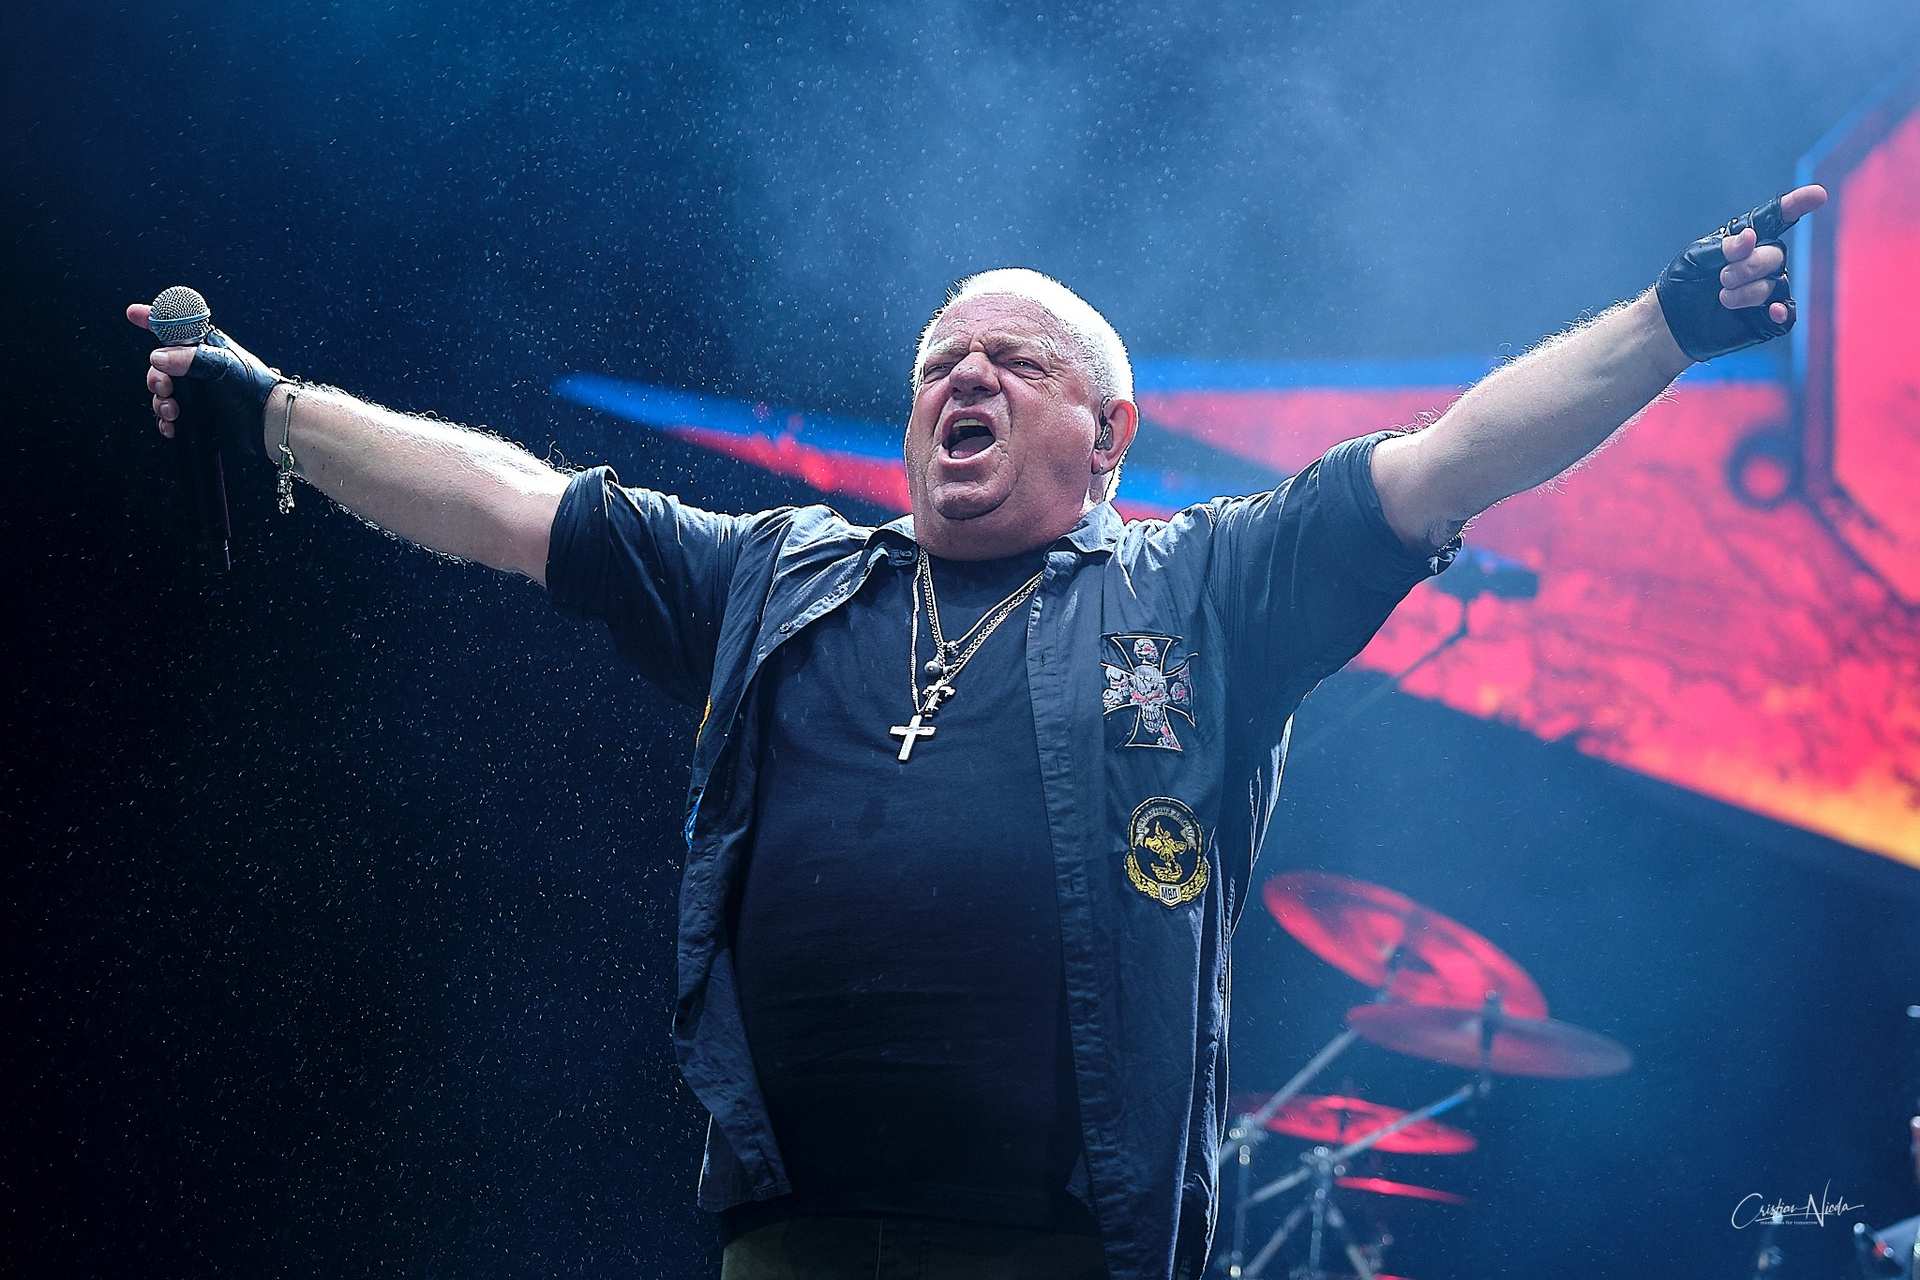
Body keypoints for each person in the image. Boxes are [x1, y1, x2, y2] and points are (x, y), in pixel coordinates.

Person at [129, 184, 1825, 1280]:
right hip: (797, 1232)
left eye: (1015, 361)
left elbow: (1450, 460)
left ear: (1110, 432)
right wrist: (274, 410)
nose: (965, 378)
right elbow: (512, 506)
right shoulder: (776, 579)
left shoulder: (1201, 591)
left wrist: (1672, 323)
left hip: (1061, 1243)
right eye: (942, 359)